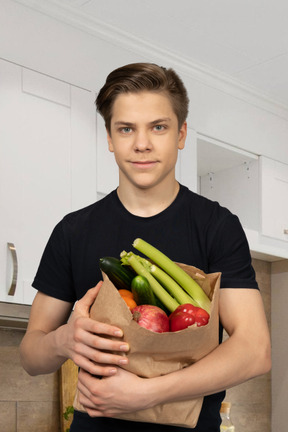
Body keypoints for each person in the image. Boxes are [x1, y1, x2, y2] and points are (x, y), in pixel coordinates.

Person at [20, 63, 271, 432]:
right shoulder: (72, 231)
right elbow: (30, 356)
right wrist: (62, 340)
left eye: (158, 126)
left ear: (181, 134)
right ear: (109, 137)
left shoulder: (217, 226)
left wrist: (148, 393)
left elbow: (255, 351)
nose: (142, 143)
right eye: (125, 128)